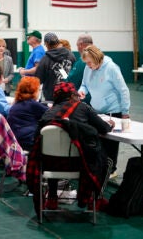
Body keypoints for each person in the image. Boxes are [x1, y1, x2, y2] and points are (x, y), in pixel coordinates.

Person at [34, 82, 115, 212]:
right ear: (73, 95)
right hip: (82, 164)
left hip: (50, 165)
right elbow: (104, 128)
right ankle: (96, 200)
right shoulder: (83, 107)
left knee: (51, 154)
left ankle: (52, 198)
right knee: (107, 161)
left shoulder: (48, 114)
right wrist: (110, 124)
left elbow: (36, 139)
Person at [78, 45, 130, 178]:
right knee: (97, 140)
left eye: (89, 62)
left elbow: (123, 90)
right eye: (86, 63)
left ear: (96, 58)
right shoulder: (88, 67)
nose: (88, 65)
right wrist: (82, 91)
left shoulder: (111, 68)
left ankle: (111, 170)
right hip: (96, 110)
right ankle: (99, 167)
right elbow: (84, 83)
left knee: (111, 143)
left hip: (113, 110)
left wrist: (125, 112)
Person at [7, 77, 48, 151]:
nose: (39, 92)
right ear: (33, 91)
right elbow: (52, 114)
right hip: (28, 142)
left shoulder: (15, 104)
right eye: (38, 90)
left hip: (14, 141)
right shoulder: (33, 105)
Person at [35, 32, 76, 102]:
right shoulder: (71, 56)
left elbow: (38, 79)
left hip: (51, 97)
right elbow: (75, 74)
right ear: (57, 42)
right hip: (69, 94)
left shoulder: (45, 59)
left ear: (46, 44)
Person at [66, 34, 93, 104]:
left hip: (85, 101)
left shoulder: (82, 61)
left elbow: (72, 79)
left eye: (77, 45)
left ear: (81, 44)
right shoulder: (98, 59)